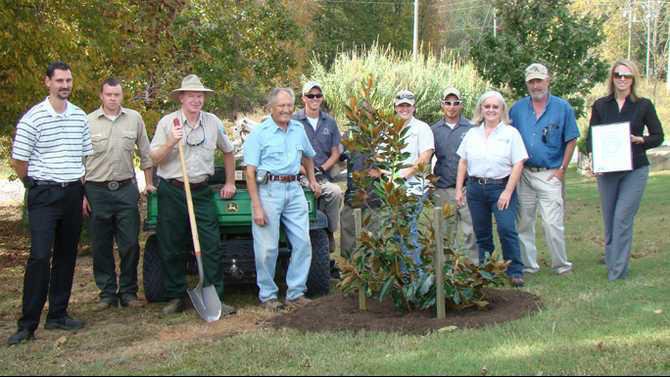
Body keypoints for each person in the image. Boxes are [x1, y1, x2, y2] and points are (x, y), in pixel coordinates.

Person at [8, 62, 93, 346]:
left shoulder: (80, 117)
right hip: (43, 194)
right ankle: (27, 324)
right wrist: (32, 185)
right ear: (47, 82)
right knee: (41, 257)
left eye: (68, 80)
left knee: (67, 255)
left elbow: (83, 159)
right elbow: (19, 160)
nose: (65, 85)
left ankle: (58, 314)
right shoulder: (34, 117)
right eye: (59, 80)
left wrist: (80, 192)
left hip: (72, 193)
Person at [149, 74, 237, 315]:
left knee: (210, 243)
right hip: (173, 190)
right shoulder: (168, 123)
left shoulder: (212, 122)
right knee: (171, 243)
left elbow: (229, 152)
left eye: (200, 96)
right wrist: (170, 142)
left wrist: (230, 181)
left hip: (201, 191)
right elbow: (153, 158)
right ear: (181, 97)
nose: (197, 100)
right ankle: (176, 296)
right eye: (191, 96)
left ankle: (214, 296)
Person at [244, 88, 321, 311]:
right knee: (267, 248)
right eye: (281, 106)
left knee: (303, 242)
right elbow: (250, 173)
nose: (286, 110)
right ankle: (268, 296)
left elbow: (308, 156)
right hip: (269, 191)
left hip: (294, 189)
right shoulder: (259, 134)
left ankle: (296, 293)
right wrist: (257, 206)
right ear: (271, 108)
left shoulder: (298, 129)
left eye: (289, 105)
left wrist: (312, 179)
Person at [587, 59, 664, 281]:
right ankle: (612, 261)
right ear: (612, 78)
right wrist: (594, 161)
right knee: (610, 219)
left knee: (622, 218)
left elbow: (658, 136)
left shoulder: (644, 105)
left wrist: (640, 139)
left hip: (635, 169)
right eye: (618, 75)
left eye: (626, 76)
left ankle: (617, 272)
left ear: (633, 79)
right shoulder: (601, 105)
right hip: (607, 171)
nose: (622, 79)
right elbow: (592, 137)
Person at [83, 78, 156, 310]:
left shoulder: (134, 119)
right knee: (101, 245)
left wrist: (149, 183)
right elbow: (79, 161)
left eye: (117, 95)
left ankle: (128, 292)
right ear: (101, 96)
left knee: (130, 244)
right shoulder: (87, 122)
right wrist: (82, 195)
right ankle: (106, 294)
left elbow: (146, 153)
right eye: (108, 94)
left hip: (125, 189)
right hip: (96, 190)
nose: (113, 98)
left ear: (122, 96)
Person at [509, 63, 577, 275]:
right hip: (524, 174)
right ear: (527, 84)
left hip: (550, 173)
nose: (536, 85)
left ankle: (561, 265)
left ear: (548, 81)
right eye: (532, 81)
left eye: (539, 80)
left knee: (552, 223)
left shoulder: (562, 107)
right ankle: (529, 265)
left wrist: (562, 170)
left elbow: (572, 138)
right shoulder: (517, 109)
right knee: (524, 223)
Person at [455, 91, 528, 287]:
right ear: (481, 109)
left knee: (506, 229)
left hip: (501, 187)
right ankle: (487, 270)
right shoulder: (472, 134)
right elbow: (463, 162)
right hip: (476, 189)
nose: (491, 110)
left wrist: (507, 191)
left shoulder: (510, 134)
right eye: (487, 106)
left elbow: (518, 163)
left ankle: (515, 270)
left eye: (495, 107)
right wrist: (458, 190)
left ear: (502, 109)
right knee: (482, 232)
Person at [292, 81, 343, 253]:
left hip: (322, 174)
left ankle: (327, 232)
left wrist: (321, 169)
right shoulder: (293, 121)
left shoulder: (330, 122)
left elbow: (336, 152)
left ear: (322, 98)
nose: (314, 99)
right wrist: (305, 171)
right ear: (303, 98)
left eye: (318, 96)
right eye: (310, 96)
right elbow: (288, 153)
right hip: (298, 175)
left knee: (335, 193)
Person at [431, 87, 479, 264]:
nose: (451, 107)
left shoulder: (472, 128)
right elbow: (427, 158)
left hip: (468, 188)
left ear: (461, 105)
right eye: (447, 103)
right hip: (443, 188)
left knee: (471, 231)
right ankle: (445, 270)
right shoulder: (434, 130)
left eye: (455, 103)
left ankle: (473, 268)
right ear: (442, 105)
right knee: (444, 232)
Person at [393, 90, 434, 268]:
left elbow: (425, 157)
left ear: (414, 108)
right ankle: (402, 274)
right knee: (397, 233)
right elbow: (380, 157)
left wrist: (404, 175)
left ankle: (414, 276)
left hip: (415, 188)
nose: (404, 109)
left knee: (408, 231)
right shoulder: (389, 129)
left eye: (407, 106)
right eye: (401, 105)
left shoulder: (422, 128)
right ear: (395, 107)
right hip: (393, 189)